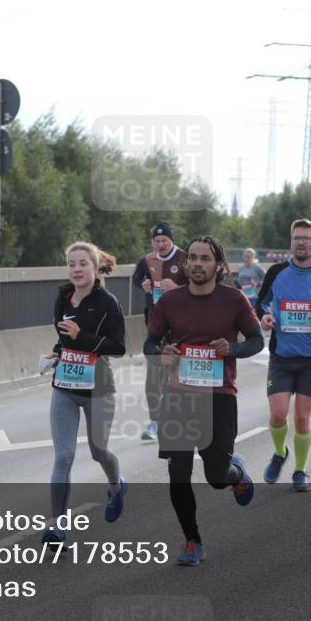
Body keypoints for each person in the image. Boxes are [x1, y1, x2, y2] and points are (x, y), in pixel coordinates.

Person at [144, 235, 263, 565]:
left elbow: (256, 340)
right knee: (178, 471)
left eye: (205, 259)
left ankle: (236, 475)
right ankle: (192, 540)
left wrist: (233, 349)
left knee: (215, 476)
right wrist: (162, 353)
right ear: (186, 264)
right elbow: (149, 343)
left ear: (218, 265)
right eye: (193, 258)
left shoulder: (234, 300)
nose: (197, 263)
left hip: (219, 396)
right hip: (178, 395)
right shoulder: (170, 302)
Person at [40, 242, 127, 546]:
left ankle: (116, 485)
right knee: (63, 456)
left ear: (95, 267)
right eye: (71, 264)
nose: (76, 269)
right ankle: (57, 526)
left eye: (82, 264)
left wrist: (83, 338)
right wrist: (54, 354)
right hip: (64, 386)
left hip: (98, 388)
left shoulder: (108, 302)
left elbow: (118, 347)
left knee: (98, 451)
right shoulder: (62, 297)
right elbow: (62, 338)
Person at [254, 219, 311, 491]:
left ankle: (300, 470)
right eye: (296, 237)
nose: (301, 242)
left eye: (306, 238)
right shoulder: (276, 272)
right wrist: (264, 316)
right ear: (291, 242)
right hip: (282, 357)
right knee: (277, 415)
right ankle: (279, 453)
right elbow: (260, 302)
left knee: (301, 418)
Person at [131, 222, 188, 441]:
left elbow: (200, 284)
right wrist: (144, 285)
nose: (161, 244)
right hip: (155, 323)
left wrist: (177, 288)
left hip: (183, 325)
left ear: (172, 240)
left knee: (177, 371)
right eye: (157, 241)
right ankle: (155, 420)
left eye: (165, 240)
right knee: (154, 372)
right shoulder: (147, 260)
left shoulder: (185, 258)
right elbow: (137, 279)